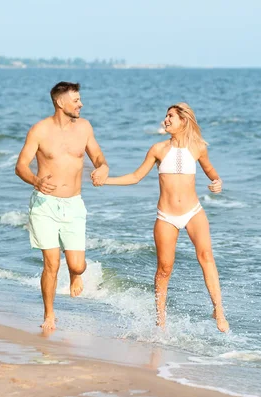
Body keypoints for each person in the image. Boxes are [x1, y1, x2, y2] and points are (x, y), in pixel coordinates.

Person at [97, 103, 229, 332]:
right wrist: (106, 181)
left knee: (206, 256)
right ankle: (161, 321)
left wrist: (217, 182)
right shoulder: (158, 149)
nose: (165, 120)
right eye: (165, 116)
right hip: (166, 216)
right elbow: (136, 177)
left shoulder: (198, 148)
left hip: (193, 212)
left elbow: (211, 172)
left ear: (183, 121)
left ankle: (219, 310)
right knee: (164, 269)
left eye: (170, 117)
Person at [15, 81, 109, 332]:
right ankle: (49, 315)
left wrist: (103, 167)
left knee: (77, 265)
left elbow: (98, 156)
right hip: (45, 204)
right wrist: (35, 180)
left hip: (74, 204)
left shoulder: (85, 128)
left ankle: (75, 274)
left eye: (80, 100)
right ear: (60, 102)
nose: (81, 104)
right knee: (51, 263)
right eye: (76, 100)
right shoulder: (39, 131)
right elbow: (21, 166)